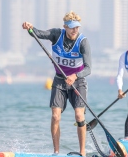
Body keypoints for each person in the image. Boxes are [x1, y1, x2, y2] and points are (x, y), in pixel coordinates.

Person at [22, 11, 91, 156]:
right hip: (59, 80)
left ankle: (82, 153)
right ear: (65, 26)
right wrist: (30, 28)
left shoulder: (83, 41)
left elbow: (88, 68)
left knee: (79, 116)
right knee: (55, 116)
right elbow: (38, 34)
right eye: (72, 27)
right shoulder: (56, 34)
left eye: (77, 27)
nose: (75, 30)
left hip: (78, 82)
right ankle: (56, 152)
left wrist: (75, 75)